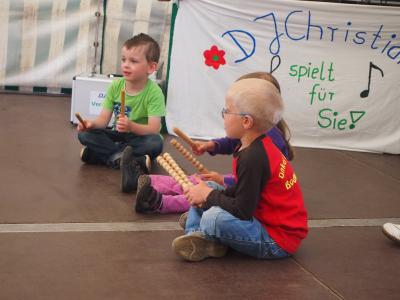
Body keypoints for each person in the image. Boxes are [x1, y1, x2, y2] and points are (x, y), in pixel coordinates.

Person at [171, 78, 308, 262]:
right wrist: (208, 192)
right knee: (208, 185)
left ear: (246, 121)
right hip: (261, 217)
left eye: (226, 111)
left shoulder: (253, 157)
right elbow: (240, 191)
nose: (223, 115)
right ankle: (198, 235)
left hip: (276, 240)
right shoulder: (254, 146)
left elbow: (243, 209)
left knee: (214, 216)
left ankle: (204, 229)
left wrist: (209, 197)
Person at [134, 72, 294, 214]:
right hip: (242, 185)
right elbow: (232, 142)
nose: (225, 114)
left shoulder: (264, 147)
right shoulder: (258, 132)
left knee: (204, 189)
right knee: (199, 181)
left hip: (247, 192)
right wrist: (210, 145)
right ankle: (151, 182)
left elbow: (254, 186)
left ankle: (161, 202)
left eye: (230, 109)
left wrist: (224, 181)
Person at [76, 33, 166, 193]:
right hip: (117, 135)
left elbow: (154, 128)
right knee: (85, 135)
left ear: (151, 67)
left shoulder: (154, 92)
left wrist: (131, 126)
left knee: (155, 143)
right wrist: (90, 124)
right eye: (124, 59)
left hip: (140, 137)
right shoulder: (116, 86)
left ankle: (100, 155)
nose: (125, 65)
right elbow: (103, 121)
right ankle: (127, 160)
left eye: (133, 61)